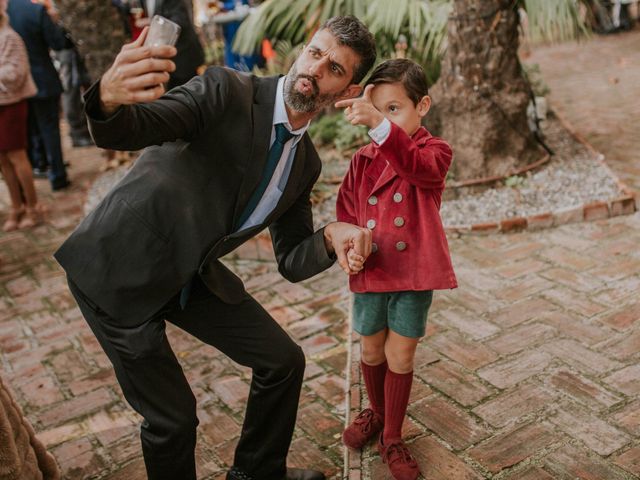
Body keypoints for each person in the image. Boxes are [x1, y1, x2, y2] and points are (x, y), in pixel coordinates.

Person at [54, 15, 376, 480]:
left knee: (282, 361)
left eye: (335, 68)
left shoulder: (304, 163)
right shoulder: (227, 91)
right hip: (117, 266)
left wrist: (329, 236)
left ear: (346, 91)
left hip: (189, 272)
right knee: (173, 418)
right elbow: (139, 126)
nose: (315, 68)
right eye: (315, 52)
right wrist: (107, 99)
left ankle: (256, 473)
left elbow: (290, 261)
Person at [335, 58, 457, 480]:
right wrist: (349, 251)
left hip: (413, 273)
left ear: (422, 105)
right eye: (379, 109)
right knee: (370, 349)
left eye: (394, 109)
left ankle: (391, 435)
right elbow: (347, 217)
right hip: (371, 272)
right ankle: (376, 409)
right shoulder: (361, 161)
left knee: (399, 355)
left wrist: (379, 127)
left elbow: (414, 167)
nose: (386, 119)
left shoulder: (434, 152)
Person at [7, 0, 70, 191]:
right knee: (49, 129)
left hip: (17, 85)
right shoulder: (36, 11)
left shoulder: (5, 13)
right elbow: (58, 43)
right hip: (43, 79)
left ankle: (38, 165)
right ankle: (58, 176)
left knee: (30, 129)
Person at [0, 0, 42, 232]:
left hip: (12, 104)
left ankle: (32, 207)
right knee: (2, 159)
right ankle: (16, 207)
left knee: (17, 156)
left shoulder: (9, 37)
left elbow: (15, 73)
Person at [132, 0, 205, 88]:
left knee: (189, 93)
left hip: (183, 56)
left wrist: (152, 22)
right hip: (166, 60)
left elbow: (180, 21)